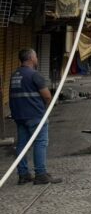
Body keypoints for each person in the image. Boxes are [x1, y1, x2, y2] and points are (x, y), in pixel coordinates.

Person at [11, 49, 61, 185]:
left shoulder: (14, 74)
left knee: (22, 144)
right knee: (40, 142)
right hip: (35, 115)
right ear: (31, 58)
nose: (37, 59)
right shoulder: (34, 75)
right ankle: (40, 174)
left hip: (19, 116)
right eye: (36, 56)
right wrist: (47, 106)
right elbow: (47, 96)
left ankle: (23, 174)